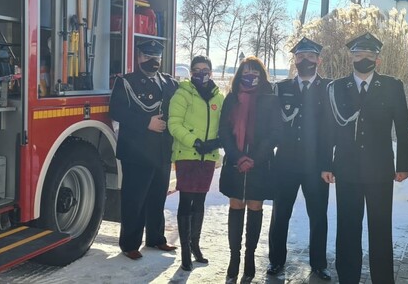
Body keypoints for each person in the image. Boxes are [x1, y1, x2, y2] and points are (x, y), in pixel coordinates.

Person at [322, 32, 408, 283]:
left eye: (369, 54)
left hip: (380, 170)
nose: (363, 58)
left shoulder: (392, 86)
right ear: (350, 57)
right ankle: (348, 278)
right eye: (358, 54)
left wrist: (404, 164)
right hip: (346, 169)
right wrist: (325, 164)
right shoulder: (337, 87)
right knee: (348, 229)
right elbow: (328, 129)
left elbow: (403, 127)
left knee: (381, 230)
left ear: (378, 60)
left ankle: (383, 279)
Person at [267, 38, 331, 280]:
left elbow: (330, 131)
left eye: (310, 56)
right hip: (285, 163)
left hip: (316, 166)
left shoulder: (328, 88)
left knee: (318, 216)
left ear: (319, 60)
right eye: (301, 56)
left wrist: (328, 164)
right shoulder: (281, 88)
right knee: (280, 215)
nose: (305, 60)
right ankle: (276, 261)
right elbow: (272, 124)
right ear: (295, 60)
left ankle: (319, 263)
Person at [109, 40, 179, 260]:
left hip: (161, 151)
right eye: (148, 56)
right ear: (138, 57)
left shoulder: (169, 82)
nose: (152, 61)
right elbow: (117, 111)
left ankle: (156, 239)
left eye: (156, 57)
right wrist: (146, 122)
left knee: (158, 197)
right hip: (137, 151)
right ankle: (130, 244)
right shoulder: (126, 82)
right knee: (134, 199)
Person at [219, 56, 282, 283]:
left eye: (255, 72)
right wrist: (238, 157)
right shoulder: (231, 99)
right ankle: (234, 257)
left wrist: (254, 158)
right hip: (234, 164)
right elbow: (223, 132)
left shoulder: (270, 100)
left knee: (255, 206)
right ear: (239, 75)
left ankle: (249, 256)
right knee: (236, 205)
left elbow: (275, 133)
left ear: (261, 76)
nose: (251, 76)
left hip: (260, 164)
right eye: (246, 72)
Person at [168, 55, 224, 271]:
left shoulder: (219, 97)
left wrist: (217, 141)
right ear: (191, 73)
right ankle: (184, 251)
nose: (202, 73)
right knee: (186, 201)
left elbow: (223, 123)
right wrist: (195, 141)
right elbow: (174, 124)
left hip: (208, 157)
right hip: (187, 154)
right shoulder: (182, 94)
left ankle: (195, 245)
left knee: (200, 203)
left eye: (206, 69)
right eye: (197, 69)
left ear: (211, 71)